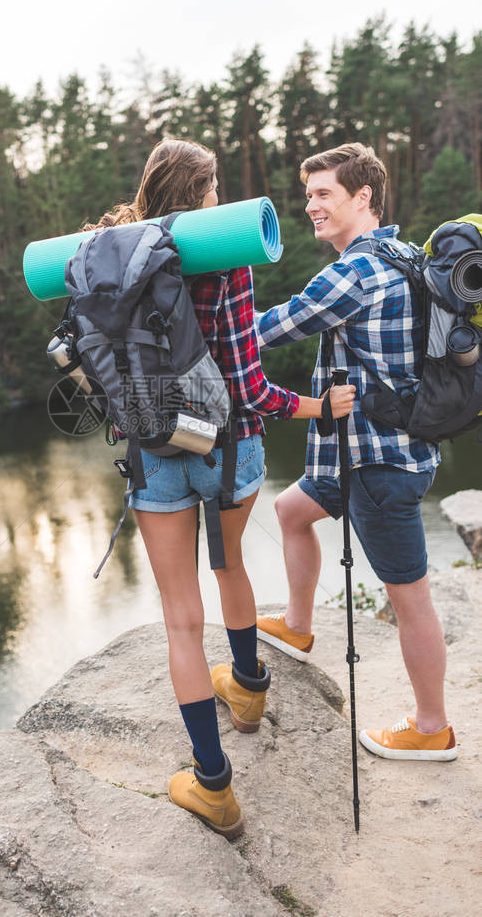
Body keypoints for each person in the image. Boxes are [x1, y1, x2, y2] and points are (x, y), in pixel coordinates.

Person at [89, 138, 355, 839]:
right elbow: (248, 385)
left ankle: (212, 787)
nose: (219, 201)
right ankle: (247, 686)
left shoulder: (110, 249)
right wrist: (312, 406)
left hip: (153, 453)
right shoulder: (224, 254)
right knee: (229, 561)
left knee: (181, 617)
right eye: (213, 190)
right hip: (229, 441)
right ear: (201, 193)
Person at [255, 142, 457, 762]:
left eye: (324, 194)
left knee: (409, 595)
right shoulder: (402, 252)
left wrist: (205, 321)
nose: (310, 205)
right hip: (362, 454)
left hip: (379, 465)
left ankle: (432, 728)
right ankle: (298, 623)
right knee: (291, 511)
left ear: (362, 197)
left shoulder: (359, 270)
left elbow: (272, 329)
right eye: (308, 193)